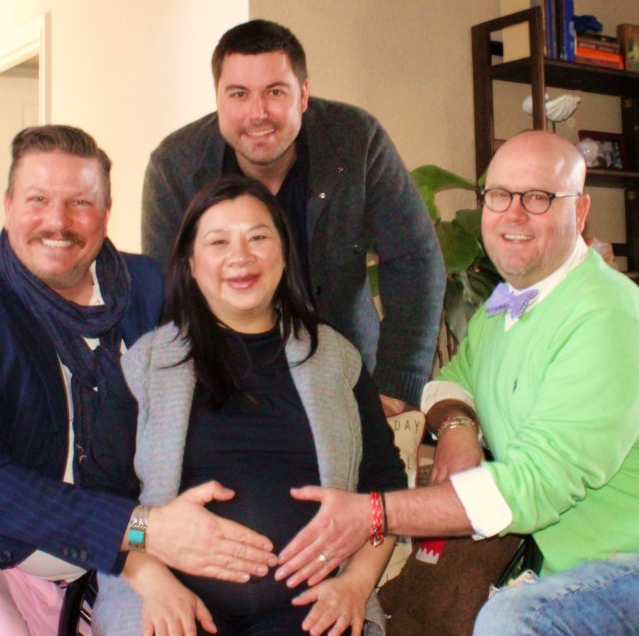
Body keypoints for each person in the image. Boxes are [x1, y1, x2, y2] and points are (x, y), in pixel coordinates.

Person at [274, 131, 639, 635]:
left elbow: (532, 488)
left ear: (580, 212)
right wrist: (457, 427)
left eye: (539, 197)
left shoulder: (606, 320)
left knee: (514, 621)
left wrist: (375, 513)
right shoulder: (507, 304)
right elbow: (450, 380)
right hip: (583, 568)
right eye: (498, 195)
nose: (513, 214)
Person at [0, 126, 277, 636]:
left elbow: (212, 399)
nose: (57, 222)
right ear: (10, 204)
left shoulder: (153, 290)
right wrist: (143, 533)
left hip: (107, 567)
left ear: (106, 213)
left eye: (80, 202)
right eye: (38, 199)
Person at [94, 176, 407, 636]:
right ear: (191, 263)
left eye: (258, 238)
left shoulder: (337, 359)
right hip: (169, 600)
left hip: (314, 606)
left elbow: (386, 491)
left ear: (284, 253)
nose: (240, 257)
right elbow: (101, 501)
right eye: (218, 241)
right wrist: (155, 582)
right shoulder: (146, 363)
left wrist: (356, 585)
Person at [141, 19, 445, 414]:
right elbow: (170, 298)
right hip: (228, 390)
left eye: (275, 91)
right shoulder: (174, 167)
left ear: (303, 94)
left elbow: (415, 259)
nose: (258, 112)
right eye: (238, 94)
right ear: (217, 97)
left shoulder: (356, 140)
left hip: (348, 383)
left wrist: (394, 388)